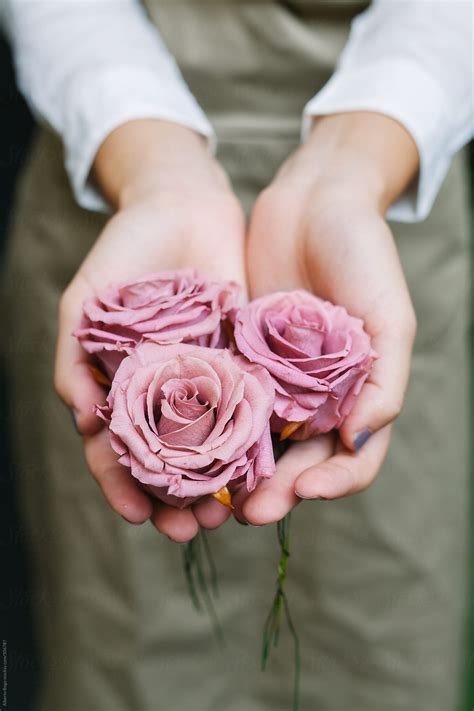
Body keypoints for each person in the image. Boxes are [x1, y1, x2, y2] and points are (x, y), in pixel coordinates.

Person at [1, 1, 472, 710]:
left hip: (385, 195)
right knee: (129, 656)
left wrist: (356, 159)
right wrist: (151, 160)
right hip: (114, 182)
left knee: (374, 640)